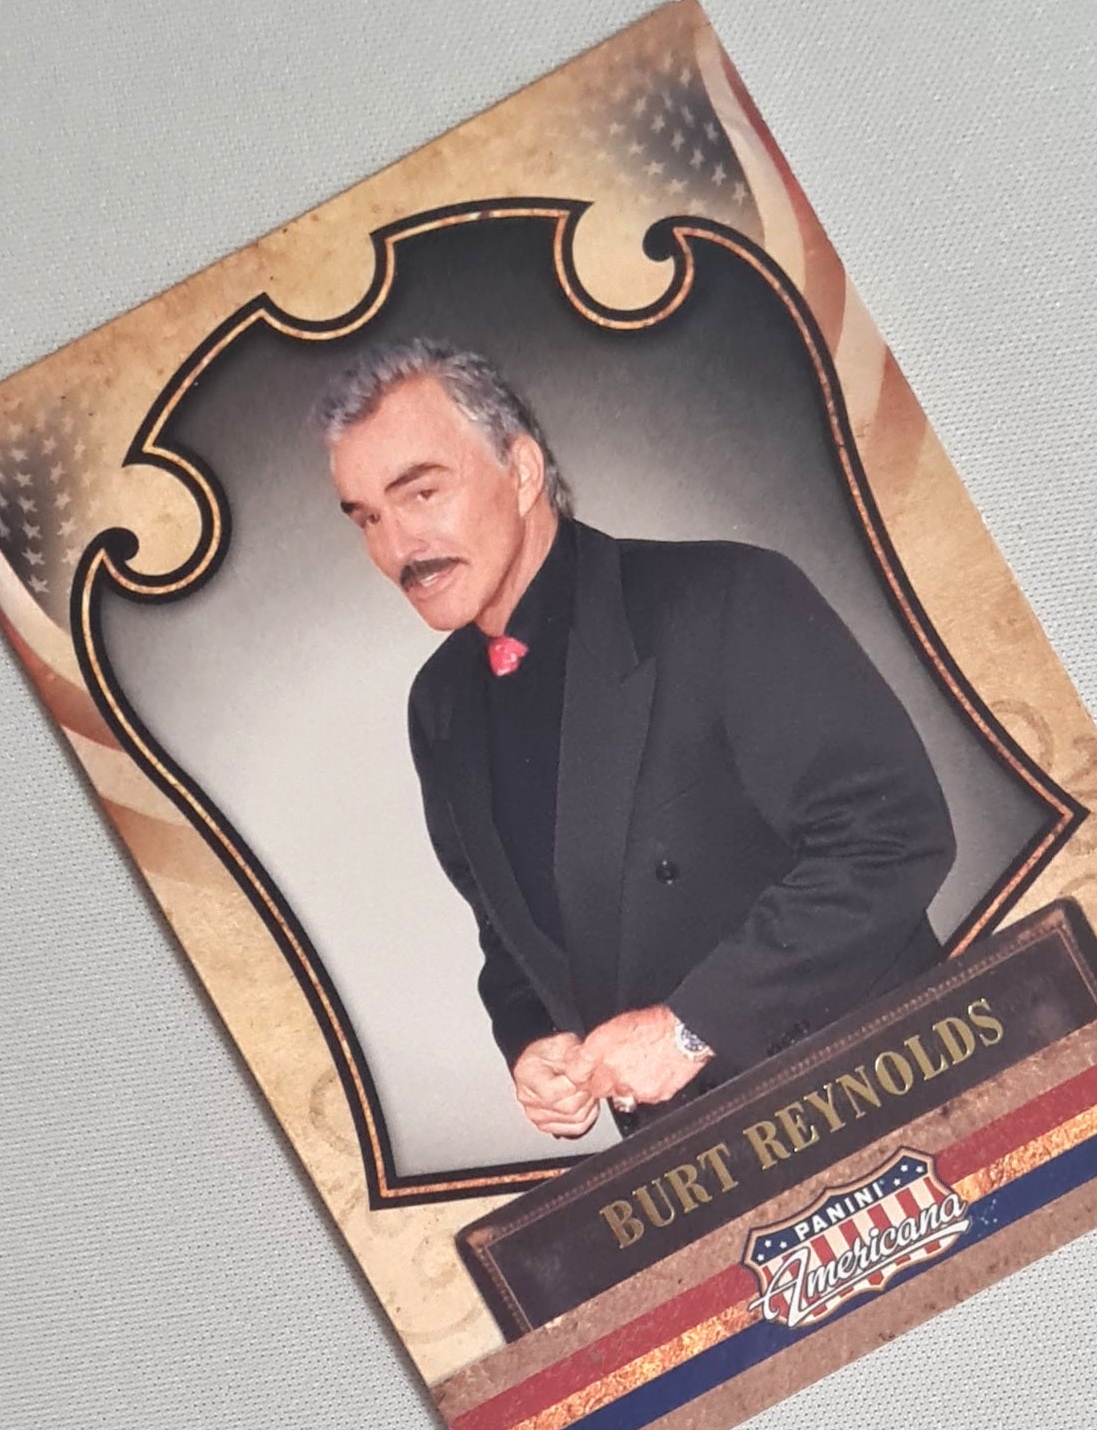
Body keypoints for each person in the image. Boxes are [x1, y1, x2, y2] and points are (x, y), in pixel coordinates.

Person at [316, 340, 956, 1141]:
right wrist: (533, 1042)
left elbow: (893, 839)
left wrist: (694, 1026)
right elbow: (510, 934)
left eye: (420, 493)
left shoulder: (724, 597)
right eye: (368, 518)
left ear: (521, 471)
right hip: (691, 1161)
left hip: (888, 1098)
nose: (397, 548)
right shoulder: (438, 706)